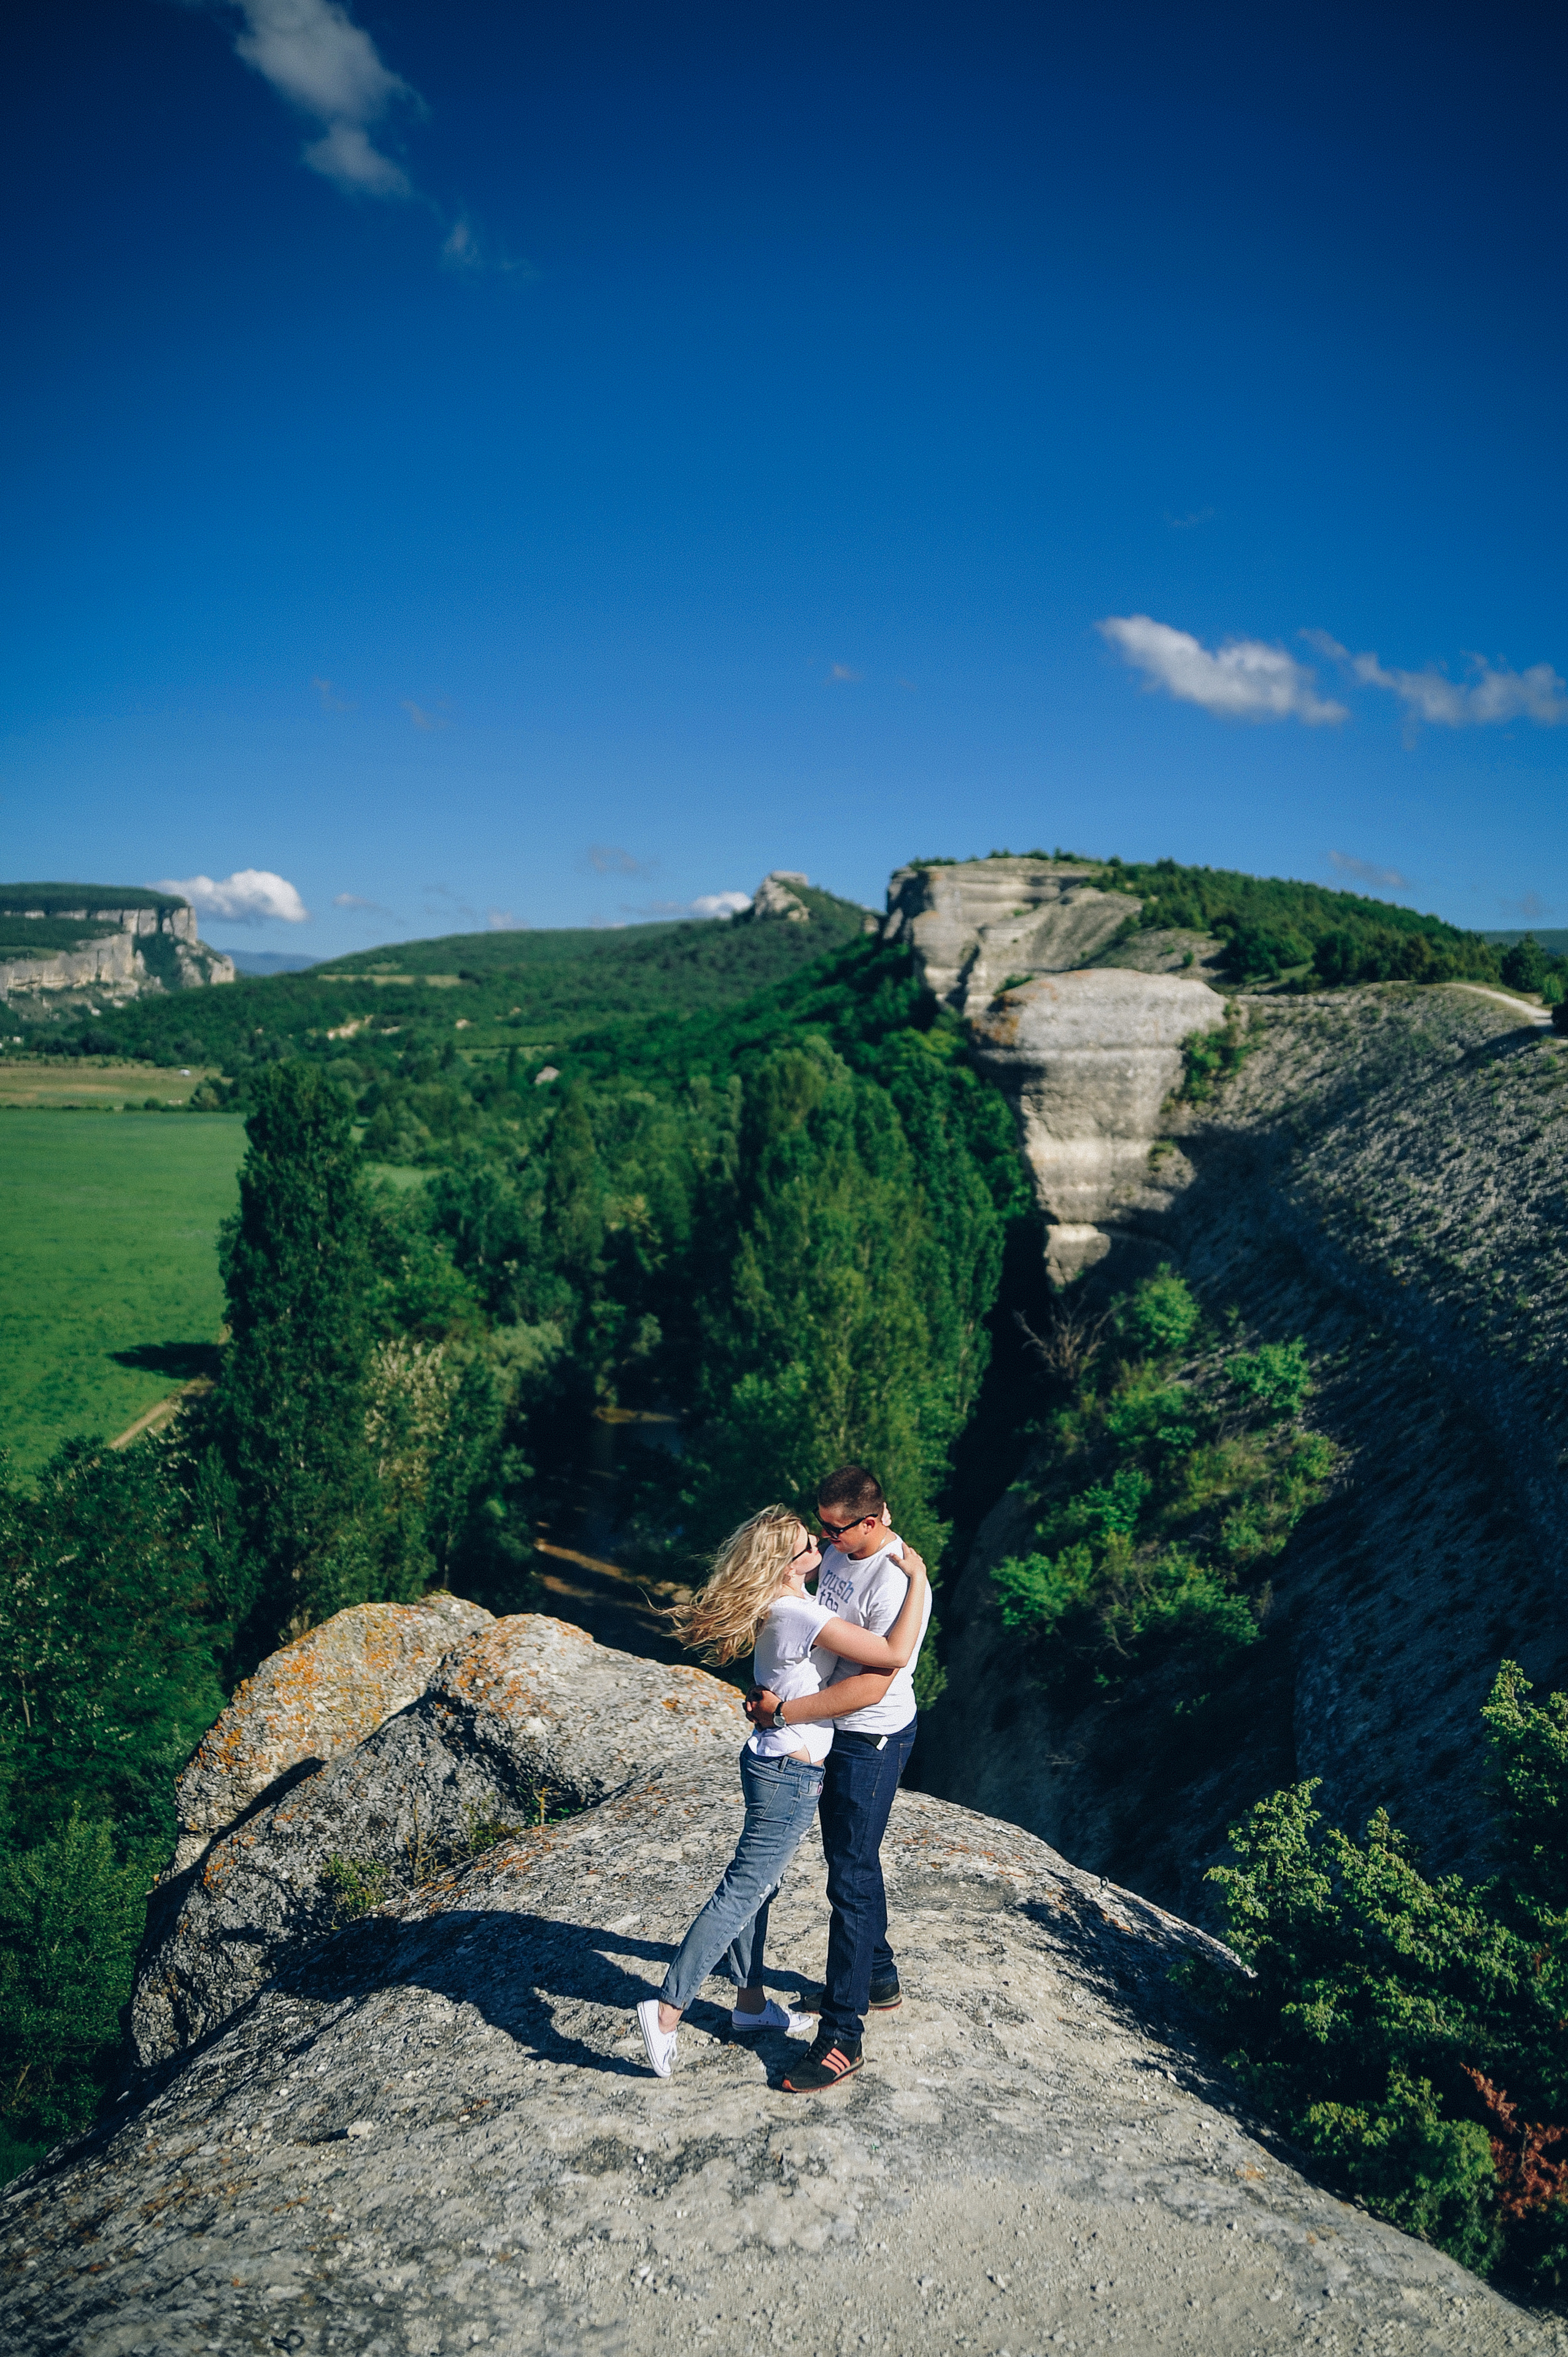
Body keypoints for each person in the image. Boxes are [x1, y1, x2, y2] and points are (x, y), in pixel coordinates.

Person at [635, 1503, 928, 2080]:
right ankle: (667, 2010)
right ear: (787, 1565)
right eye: (808, 1545)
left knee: (757, 1889)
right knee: (742, 1893)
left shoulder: (790, 1603)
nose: (822, 1546)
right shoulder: (796, 1610)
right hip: (789, 1775)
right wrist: (919, 1577)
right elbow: (893, 1656)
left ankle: (749, 2008)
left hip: (772, 1762)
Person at [744, 1463, 931, 2093]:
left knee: (849, 1874)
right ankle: (875, 1975)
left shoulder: (897, 1580)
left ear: (870, 1523)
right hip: (832, 1733)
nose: (823, 1542)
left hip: (869, 1738)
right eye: (819, 1527)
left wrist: (787, 1711)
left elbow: (873, 1681)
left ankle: (842, 2036)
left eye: (833, 1530)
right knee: (851, 1859)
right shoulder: (840, 1556)